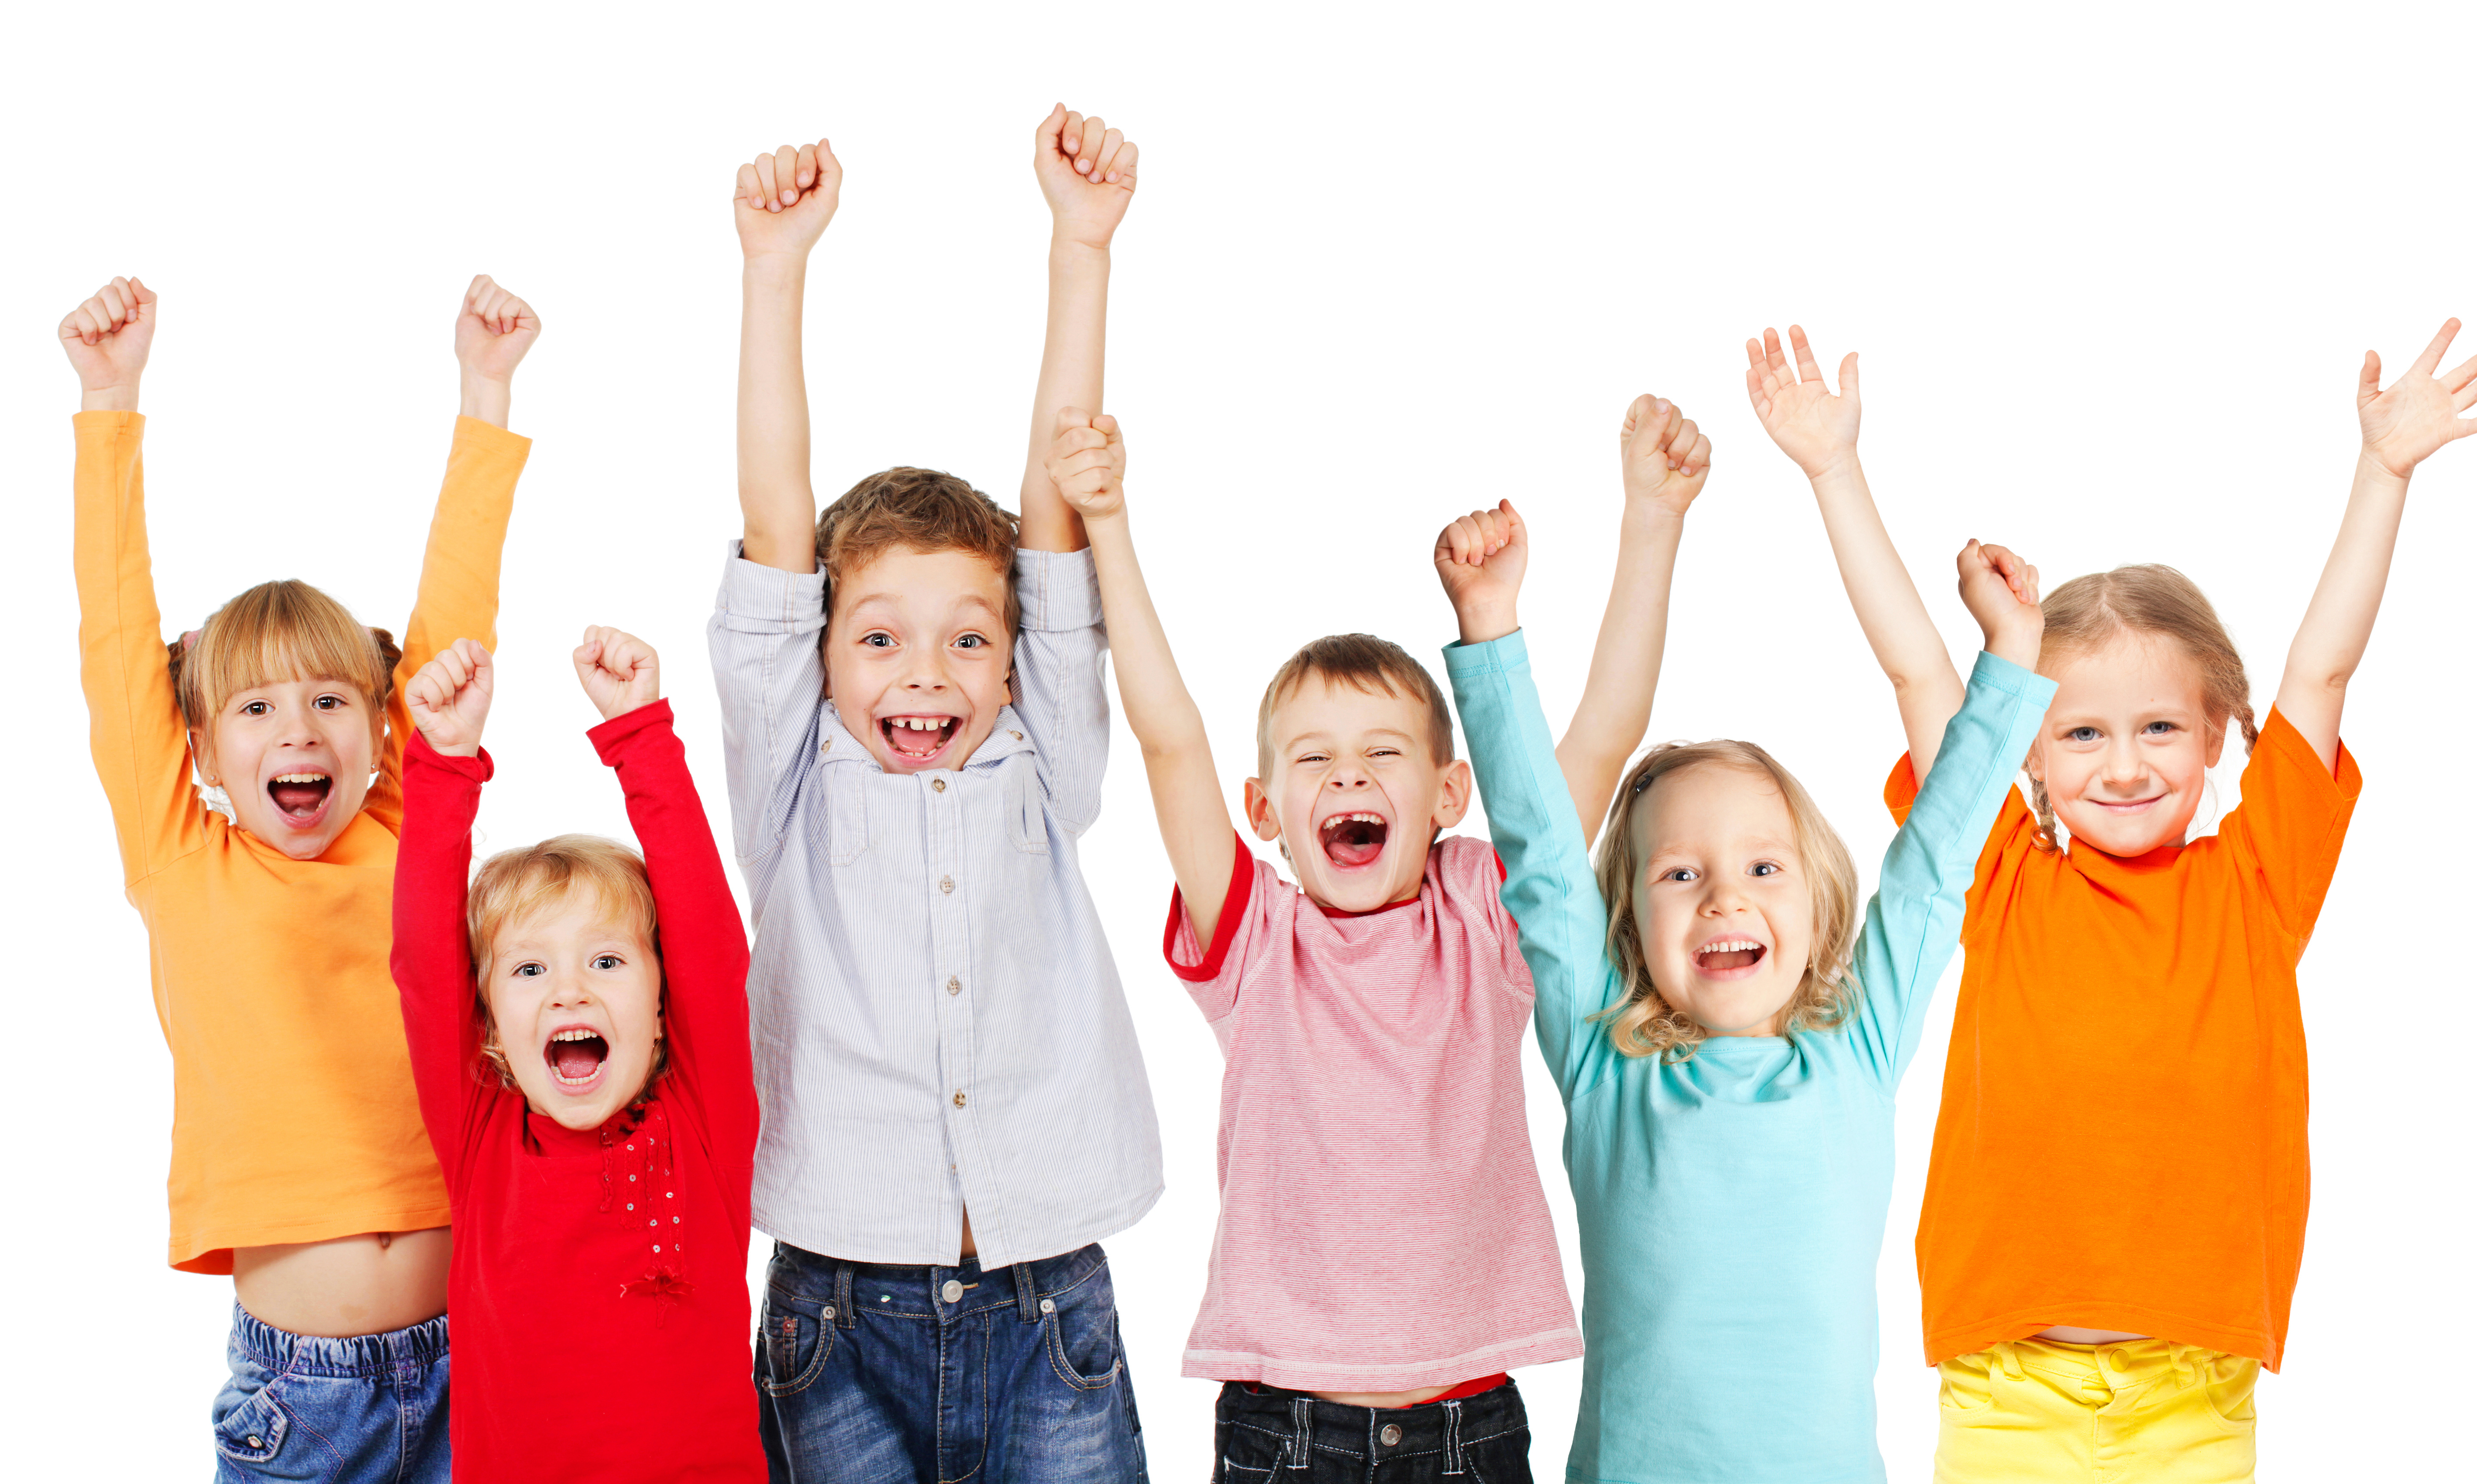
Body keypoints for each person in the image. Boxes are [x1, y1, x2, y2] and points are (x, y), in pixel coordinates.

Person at [1802, 319, 2477, 1483]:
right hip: (2005, 1385)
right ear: (2024, 748)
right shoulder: (1994, 875)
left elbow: (2320, 670)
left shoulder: (2257, 879)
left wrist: (2381, 473)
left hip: (2192, 1391)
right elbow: (1918, 676)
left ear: (2220, 731)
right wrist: (1836, 471)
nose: (2122, 766)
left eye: (2158, 729)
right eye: (2080, 732)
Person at [1049, 392, 1712, 1478]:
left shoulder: (1483, 917)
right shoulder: (1254, 936)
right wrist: (1111, 525)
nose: (1347, 774)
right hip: (1284, 1429)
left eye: (1380, 754)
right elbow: (1169, 742)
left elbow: (1599, 736)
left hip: (1470, 1426)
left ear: (1450, 790)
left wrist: (1653, 520)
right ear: (1263, 810)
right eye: (1310, 758)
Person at [1442, 326, 2054, 1481]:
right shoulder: (1605, 1060)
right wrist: (1491, 631)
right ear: (1629, 928)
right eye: (1680, 873)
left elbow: (1933, 865)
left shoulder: (1856, 1049)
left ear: (1820, 911)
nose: (1724, 892)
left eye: (1763, 868)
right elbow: (1535, 857)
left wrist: (2010, 662)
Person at [716, 108, 1158, 1483]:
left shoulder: (1041, 756)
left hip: (1047, 1300)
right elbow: (779, 515)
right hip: (836, 1306)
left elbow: (1052, 527)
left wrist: (1079, 249)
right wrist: (773, 271)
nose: (928, 671)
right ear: (822, 651)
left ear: (1016, 661)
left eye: (968, 637)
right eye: (880, 636)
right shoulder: (792, 775)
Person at [66, 271, 538, 1481]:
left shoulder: (403, 827)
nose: (300, 731)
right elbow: (120, 645)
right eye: (259, 708)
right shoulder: (183, 861)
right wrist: (109, 407)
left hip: (481, 1363)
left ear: (378, 726)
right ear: (202, 748)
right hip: (304, 1398)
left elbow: (448, 642)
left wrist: (484, 395)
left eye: (333, 700)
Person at [392, 629, 763, 1481]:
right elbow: (423, 964)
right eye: (529, 968)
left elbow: (708, 940)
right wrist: (446, 764)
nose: (569, 991)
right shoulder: (483, 1135)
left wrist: (642, 738)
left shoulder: (704, 1126)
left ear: (663, 1009)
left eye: (605, 960)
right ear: (489, 1021)